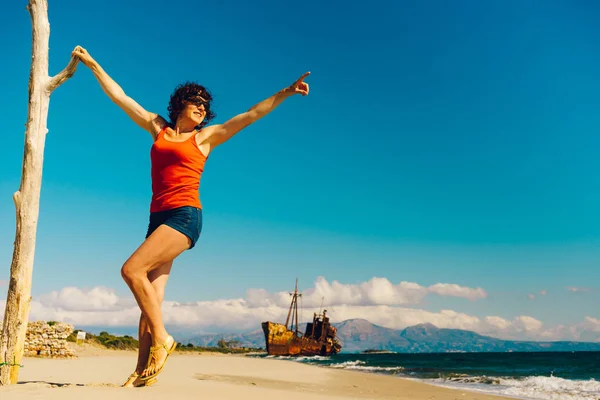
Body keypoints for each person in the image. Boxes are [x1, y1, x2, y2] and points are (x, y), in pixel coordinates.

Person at [71, 45, 310, 387]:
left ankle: (164, 340)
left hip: (184, 217)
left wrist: (285, 92)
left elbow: (251, 114)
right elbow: (121, 98)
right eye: (195, 101)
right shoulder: (159, 128)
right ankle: (141, 374)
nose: (201, 107)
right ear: (180, 103)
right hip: (157, 219)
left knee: (131, 270)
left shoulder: (205, 138)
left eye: (205, 105)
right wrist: (94, 65)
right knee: (149, 299)